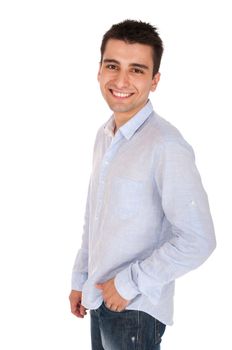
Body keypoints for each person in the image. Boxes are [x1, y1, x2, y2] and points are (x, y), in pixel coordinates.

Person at [69, 19, 216, 350]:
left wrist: (128, 283)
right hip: (101, 299)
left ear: (155, 80)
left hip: (135, 308)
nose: (121, 80)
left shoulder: (165, 145)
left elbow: (198, 238)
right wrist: (81, 279)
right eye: (112, 66)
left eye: (136, 70)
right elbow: (96, 219)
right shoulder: (104, 137)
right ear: (99, 71)